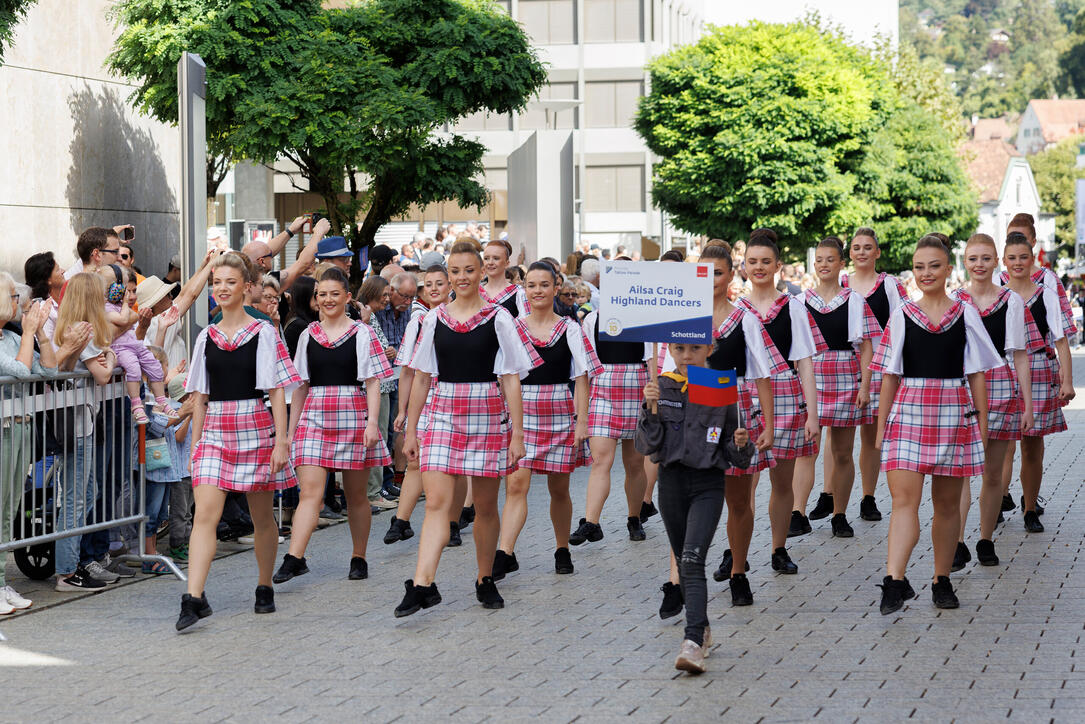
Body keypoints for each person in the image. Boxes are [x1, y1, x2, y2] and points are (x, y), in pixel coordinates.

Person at [396, 240, 539, 616]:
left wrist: (519, 435)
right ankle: (423, 584)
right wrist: (411, 431)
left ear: (481, 273)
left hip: (488, 417)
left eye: (468, 270)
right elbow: (423, 378)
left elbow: (510, 379)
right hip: (442, 415)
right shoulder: (432, 319)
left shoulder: (500, 318)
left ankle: (485, 577)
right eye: (454, 272)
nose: (461, 278)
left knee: (487, 506)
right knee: (439, 505)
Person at [872, 234, 1002, 614]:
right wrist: (881, 427)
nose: (926, 273)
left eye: (933, 266)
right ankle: (894, 581)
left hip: (953, 412)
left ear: (948, 269)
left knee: (946, 506)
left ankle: (941, 579)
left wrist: (980, 425)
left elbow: (977, 372)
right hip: (908, 412)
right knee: (903, 502)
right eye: (919, 266)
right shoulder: (901, 315)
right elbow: (889, 376)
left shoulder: (965, 314)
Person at [176, 252, 302, 631]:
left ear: (246, 287)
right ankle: (193, 598)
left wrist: (282, 441)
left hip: (255, 425)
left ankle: (264, 586)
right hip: (215, 430)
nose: (222, 289)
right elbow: (199, 397)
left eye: (230, 282)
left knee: (262, 517)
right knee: (205, 517)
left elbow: (278, 391)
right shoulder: (205, 338)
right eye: (217, 283)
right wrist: (197, 446)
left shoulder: (263, 333)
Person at [637, 340, 754, 674]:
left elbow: (738, 457)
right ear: (669, 351)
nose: (686, 356)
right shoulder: (660, 386)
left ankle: (691, 642)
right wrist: (649, 409)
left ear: (710, 348)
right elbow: (648, 446)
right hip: (671, 484)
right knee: (685, 562)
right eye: (678, 349)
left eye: (694, 348)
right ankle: (702, 629)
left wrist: (740, 443)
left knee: (691, 559)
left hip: (708, 484)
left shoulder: (719, 387)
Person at [275, 268, 394, 585]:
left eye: (333, 293)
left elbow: (372, 382)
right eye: (322, 294)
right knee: (309, 493)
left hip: (353, 414)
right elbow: (300, 386)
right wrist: (291, 431)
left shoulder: (362, 334)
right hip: (315, 415)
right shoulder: (306, 335)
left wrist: (371, 423)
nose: (327, 299)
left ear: (347, 297)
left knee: (356, 496)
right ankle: (294, 557)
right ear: (316, 298)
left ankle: (359, 556)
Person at [492, 262, 600, 580]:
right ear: (524, 289)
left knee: (559, 488)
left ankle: (562, 547)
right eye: (531, 285)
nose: (537, 290)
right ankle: (505, 553)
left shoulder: (570, 328)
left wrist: (582, 421)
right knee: (515, 484)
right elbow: (504, 375)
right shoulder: (512, 327)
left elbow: (582, 377)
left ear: (555, 288)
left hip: (559, 411)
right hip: (521, 412)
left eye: (544, 285)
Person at [951, 234, 1037, 569]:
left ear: (996, 261)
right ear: (965, 262)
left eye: (986, 258)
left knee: (992, 473)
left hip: (1001, 385)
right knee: (960, 471)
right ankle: (957, 541)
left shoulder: (1011, 301)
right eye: (973, 259)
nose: (979, 265)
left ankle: (985, 538)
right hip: (963, 387)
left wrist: (1028, 405)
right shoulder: (954, 300)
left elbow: (1019, 355)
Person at [737, 229, 820, 575]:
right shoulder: (732, 309)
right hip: (741, 396)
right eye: (752, 261)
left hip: (785, 397)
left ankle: (778, 547)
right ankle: (735, 549)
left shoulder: (794, 308)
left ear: (778, 266)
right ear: (743, 266)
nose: (759, 267)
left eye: (765, 261)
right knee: (743, 481)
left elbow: (805, 363)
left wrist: (812, 415)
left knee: (781, 482)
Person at [791, 237, 879, 538]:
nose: (824, 264)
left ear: (841, 264)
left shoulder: (855, 300)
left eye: (830, 259)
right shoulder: (800, 302)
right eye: (819, 259)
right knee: (806, 450)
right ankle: (797, 512)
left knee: (842, 452)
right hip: (810, 378)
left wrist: (865, 387)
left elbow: (867, 347)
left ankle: (839, 514)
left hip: (845, 378)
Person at [831, 228, 909, 523]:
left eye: (867, 247)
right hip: (841, 370)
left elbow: (904, 322)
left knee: (870, 435)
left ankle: (868, 496)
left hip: (878, 366)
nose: (861, 252)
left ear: (877, 253)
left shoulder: (889, 285)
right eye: (856, 247)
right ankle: (831, 495)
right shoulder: (838, 283)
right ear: (849, 254)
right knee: (838, 438)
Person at [1002, 232, 1074, 534]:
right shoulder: (997, 294)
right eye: (1012, 257)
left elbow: (1060, 340)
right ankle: (994, 505)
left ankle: (1030, 508)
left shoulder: (1045, 294)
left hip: (1039, 369)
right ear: (1003, 262)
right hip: (1003, 372)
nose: (1018, 262)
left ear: (1033, 259)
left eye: (1023, 257)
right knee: (1002, 447)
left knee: (1033, 447)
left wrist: (1067, 380)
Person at [51, 272, 118, 591]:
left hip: (83, 422)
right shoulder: (82, 330)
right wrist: (114, 356)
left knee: (85, 493)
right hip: (78, 425)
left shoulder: (73, 328)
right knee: (78, 497)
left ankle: (71, 562)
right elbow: (104, 374)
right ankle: (66, 570)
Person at [570, 297, 652, 547]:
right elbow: (584, 366)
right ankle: (591, 522)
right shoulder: (593, 318)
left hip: (638, 389)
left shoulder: (645, 316)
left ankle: (634, 517)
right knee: (601, 460)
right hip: (603, 389)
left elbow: (652, 359)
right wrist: (580, 415)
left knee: (635, 463)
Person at [0, 274, 59, 612]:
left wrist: (41, 336)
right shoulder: (11, 339)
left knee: (10, 509)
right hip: (4, 430)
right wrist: (29, 333)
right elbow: (22, 372)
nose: (19, 302)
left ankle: (2, 583)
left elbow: (48, 370)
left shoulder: (11, 336)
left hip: (20, 429)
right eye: (11, 296)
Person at [385, 265, 451, 545]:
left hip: (453, 393)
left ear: (450, 286)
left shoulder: (462, 318)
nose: (433, 289)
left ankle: (453, 521)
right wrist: (402, 410)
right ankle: (401, 520)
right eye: (428, 285)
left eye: (439, 283)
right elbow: (408, 370)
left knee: (454, 468)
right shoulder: (419, 322)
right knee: (415, 460)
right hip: (425, 397)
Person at [97, 265, 175, 424]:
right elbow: (125, 319)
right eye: (125, 289)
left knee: (154, 366)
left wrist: (127, 309)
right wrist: (125, 305)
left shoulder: (119, 306)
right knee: (133, 369)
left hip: (134, 344)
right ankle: (136, 405)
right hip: (120, 349)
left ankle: (162, 401)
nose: (128, 293)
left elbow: (132, 317)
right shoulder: (105, 308)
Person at [357, 276, 399, 510]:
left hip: (383, 383)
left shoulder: (371, 315)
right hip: (375, 386)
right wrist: (386, 352)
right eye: (383, 294)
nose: (387, 298)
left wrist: (388, 351)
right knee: (377, 437)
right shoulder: (364, 316)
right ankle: (372, 492)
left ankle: (375, 489)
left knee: (381, 437)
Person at [479, 239, 527, 316]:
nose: (490, 262)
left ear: (507, 263)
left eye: (496, 258)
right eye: (486, 258)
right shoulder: (476, 292)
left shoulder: (518, 293)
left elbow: (526, 323)